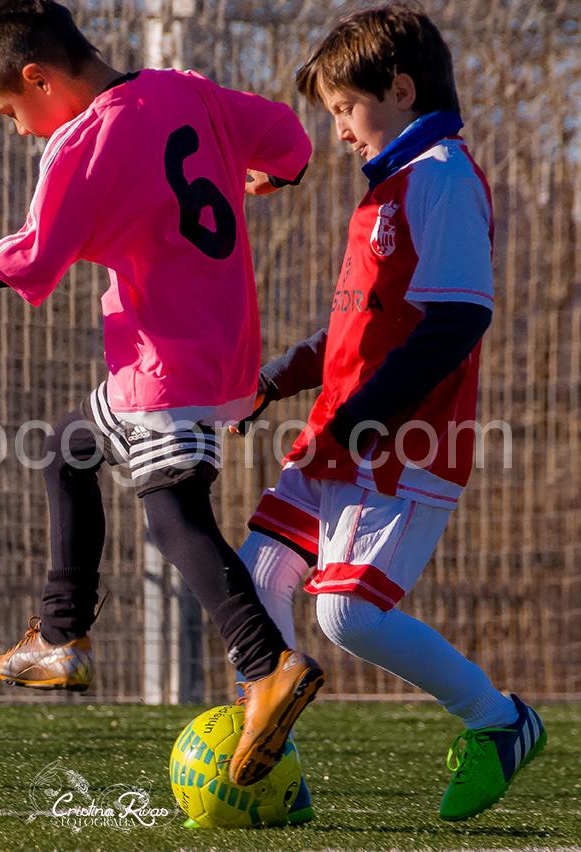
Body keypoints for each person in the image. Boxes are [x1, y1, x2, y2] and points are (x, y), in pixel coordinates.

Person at [0, 0, 323, 787]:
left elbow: (34, 257)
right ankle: (61, 636)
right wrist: (270, 174)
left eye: (12, 111)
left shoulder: (82, 141)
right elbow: (289, 138)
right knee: (68, 448)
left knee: (173, 513)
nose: (20, 130)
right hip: (218, 350)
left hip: (162, 359)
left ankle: (266, 663)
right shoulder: (186, 89)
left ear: (38, 78)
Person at [233, 2, 545, 821]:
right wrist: (272, 380)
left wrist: (364, 419)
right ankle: (271, 759)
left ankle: (499, 722)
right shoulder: (389, 188)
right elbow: (354, 330)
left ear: (401, 90)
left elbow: (457, 320)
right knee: (256, 574)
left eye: (344, 107)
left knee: (346, 615)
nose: (337, 129)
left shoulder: (441, 175)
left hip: (402, 443)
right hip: (342, 431)